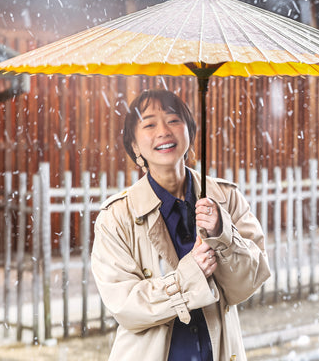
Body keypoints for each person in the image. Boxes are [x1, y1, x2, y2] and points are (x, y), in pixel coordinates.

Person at [91, 89, 271, 361]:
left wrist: (223, 235)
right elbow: (125, 306)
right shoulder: (116, 217)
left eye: (174, 120)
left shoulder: (225, 198)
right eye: (149, 124)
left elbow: (248, 283)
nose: (164, 130)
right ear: (135, 146)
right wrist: (189, 276)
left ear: (189, 131)